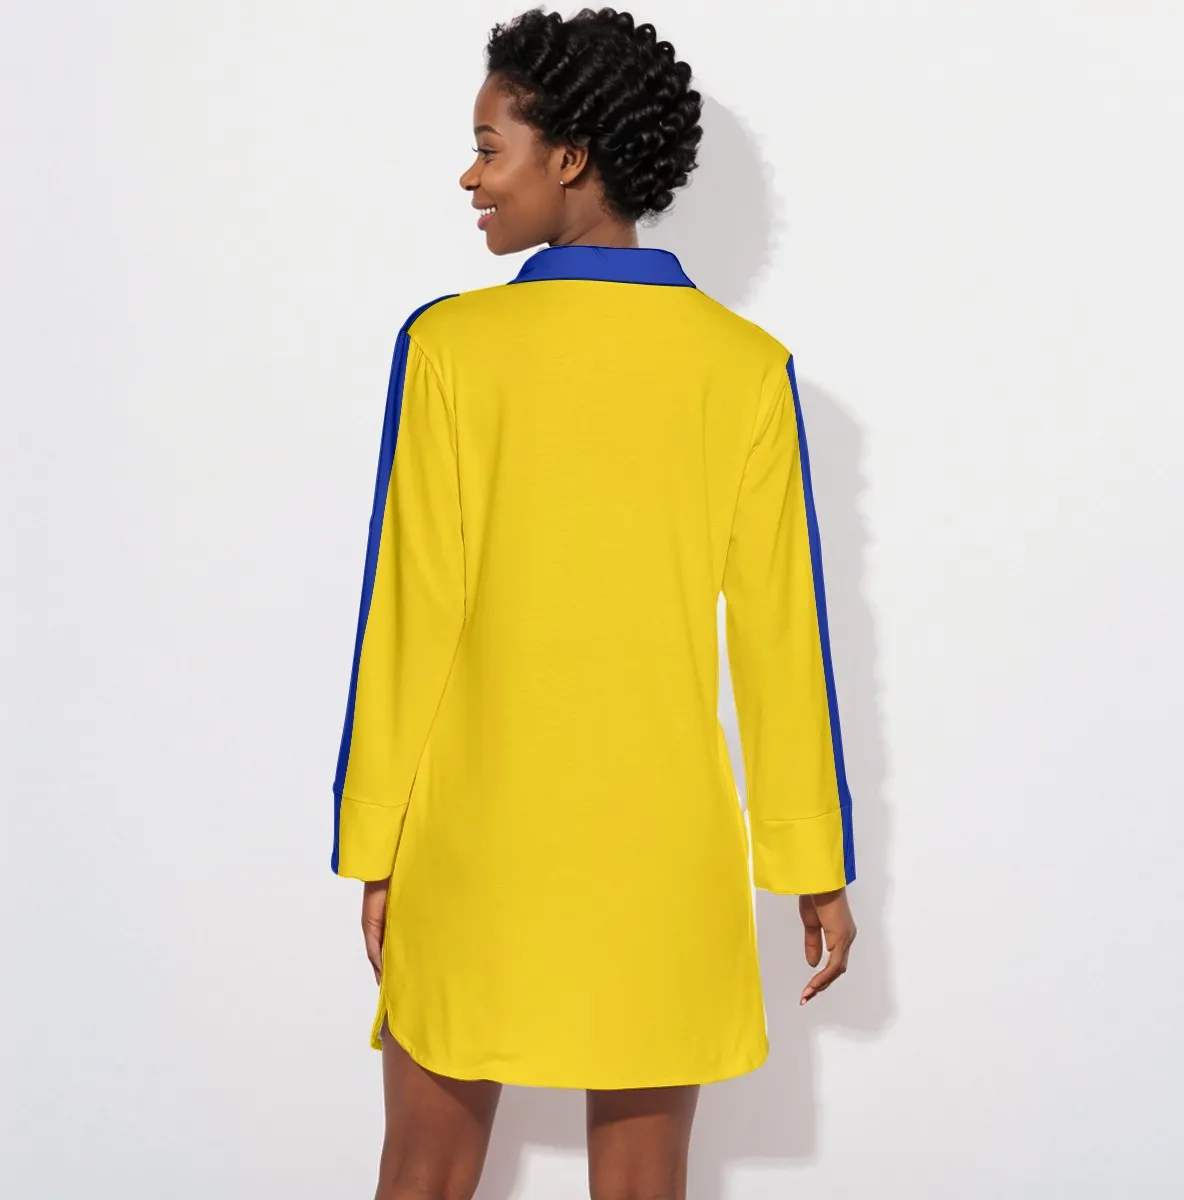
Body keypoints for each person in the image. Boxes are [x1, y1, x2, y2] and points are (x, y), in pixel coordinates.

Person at [329, 7, 858, 1198]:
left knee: (421, 1171)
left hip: (473, 842)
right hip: (661, 855)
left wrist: (375, 842)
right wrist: (812, 861)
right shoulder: (743, 366)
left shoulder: (452, 347)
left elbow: (408, 614)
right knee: (642, 1185)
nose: (470, 177)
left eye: (489, 147)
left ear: (569, 155)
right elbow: (782, 639)